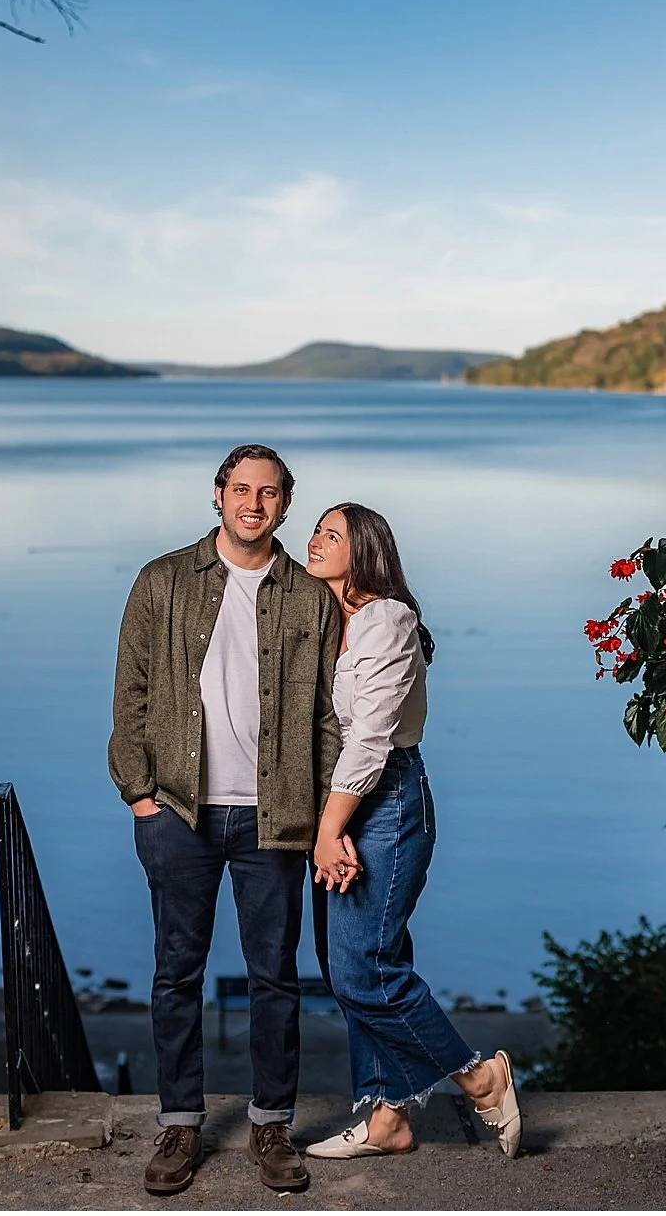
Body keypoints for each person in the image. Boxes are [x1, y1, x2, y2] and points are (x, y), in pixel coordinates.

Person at [108, 444, 343, 1197]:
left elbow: (329, 717)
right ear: (216, 495)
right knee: (176, 971)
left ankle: (270, 1124)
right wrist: (140, 796)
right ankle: (180, 1122)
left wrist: (324, 807)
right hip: (179, 809)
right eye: (241, 488)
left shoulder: (309, 595)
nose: (254, 503)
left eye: (269, 492)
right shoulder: (162, 580)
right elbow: (130, 695)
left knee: (275, 977)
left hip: (274, 817)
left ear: (284, 503)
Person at [299, 502, 524, 1161]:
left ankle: (479, 1076)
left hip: (385, 803)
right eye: (314, 529)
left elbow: (369, 739)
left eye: (330, 534)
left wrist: (328, 827)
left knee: (360, 969)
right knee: (361, 965)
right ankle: (386, 1117)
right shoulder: (335, 619)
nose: (313, 539)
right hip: (348, 800)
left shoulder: (387, 619)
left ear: (363, 550)